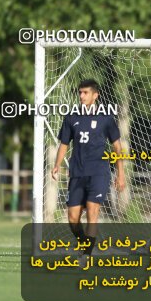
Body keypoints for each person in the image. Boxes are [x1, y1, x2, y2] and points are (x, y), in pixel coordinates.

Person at [52, 79, 125, 262]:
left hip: (99, 172)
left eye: (85, 93)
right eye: (80, 92)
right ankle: (85, 243)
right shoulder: (71, 117)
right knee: (72, 218)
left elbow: (117, 147)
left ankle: (86, 255)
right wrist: (57, 165)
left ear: (95, 95)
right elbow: (64, 144)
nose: (81, 96)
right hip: (77, 173)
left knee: (93, 211)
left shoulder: (106, 119)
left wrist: (120, 173)